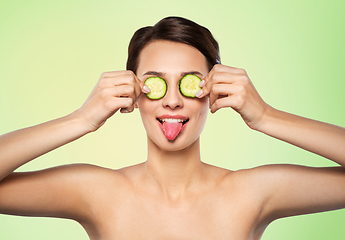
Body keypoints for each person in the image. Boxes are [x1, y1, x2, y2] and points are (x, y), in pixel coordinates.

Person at [0, 16, 344, 240]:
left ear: (212, 92)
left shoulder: (250, 192)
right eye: (155, 84)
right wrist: (81, 120)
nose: (173, 102)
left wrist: (266, 116)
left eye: (189, 83)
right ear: (132, 94)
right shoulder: (97, 192)